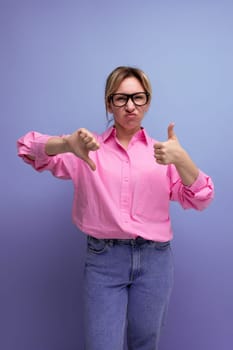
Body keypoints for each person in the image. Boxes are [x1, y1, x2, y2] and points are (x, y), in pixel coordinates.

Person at [17, 66, 214, 350]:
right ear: (109, 102)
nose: (130, 106)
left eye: (138, 97)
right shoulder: (85, 147)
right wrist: (66, 144)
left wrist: (183, 160)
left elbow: (202, 198)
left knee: (145, 344)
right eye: (121, 98)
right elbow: (26, 148)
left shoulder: (164, 153)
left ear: (148, 101)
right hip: (103, 261)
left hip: (155, 262)